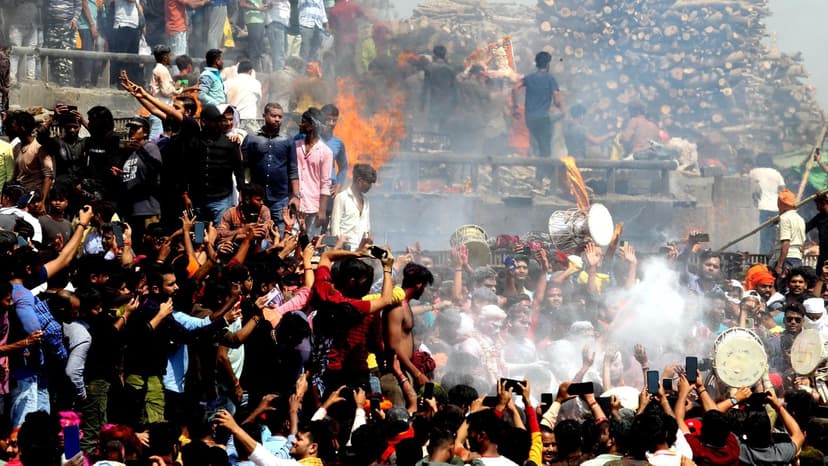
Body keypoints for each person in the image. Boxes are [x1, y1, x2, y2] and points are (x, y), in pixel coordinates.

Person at [380, 263, 434, 403]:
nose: (424, 291)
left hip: (404, 371)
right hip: (394, 375)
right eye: (425, 286)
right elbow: (394, 346)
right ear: (418, 284)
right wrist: (417, 373)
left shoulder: (405, 304)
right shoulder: (397, 307)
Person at [244, 102, 300, 230]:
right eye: (273, 116)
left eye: (280, 117)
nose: (277, 119)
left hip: (280, 198)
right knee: (257, 233)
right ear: (264, 115)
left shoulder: (287, 140)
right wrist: (245, 192)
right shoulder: (252, 139)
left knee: (280, 233)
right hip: (256, 199)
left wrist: (296, 196)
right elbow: (244, 168)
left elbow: (293, 170)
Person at [512, 51, 562, 185]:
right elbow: (557, 100)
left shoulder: (529, 77)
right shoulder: (550, 78)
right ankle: (540, 179)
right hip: (543, 119)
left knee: (536, 146)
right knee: (545, 149)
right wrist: (563, 109)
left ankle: (541, 176)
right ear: (547, 64)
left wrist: (515, 106)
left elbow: (515, 88)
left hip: (529, 119)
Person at [117, 117, 163, 239]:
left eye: (136, 128)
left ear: (146, 132)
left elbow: (156, 168)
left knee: (149, 244)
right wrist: (120, 174)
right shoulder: (130, 152)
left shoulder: (150, 147)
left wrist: (141, 150)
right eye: (131, 128)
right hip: (131, 210)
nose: (131, 131)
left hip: (147, 210)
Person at [295, 108, 333, 237]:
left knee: (308, 245)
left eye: (303, 122)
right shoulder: (294, 146)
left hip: (312, 206)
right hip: (295, 204)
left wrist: (322, 211)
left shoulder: (326, 152)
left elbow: (325, 183)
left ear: (311, 126)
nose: (300, 124)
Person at [329, 163, 375, 246]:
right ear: (360, 181)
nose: (370, 187)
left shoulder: (366, 201)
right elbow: (334, 228)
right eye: (368, 183)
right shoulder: (341, 198)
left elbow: (367, 228)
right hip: (345, 251)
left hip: (361, 251)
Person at [750, 153, 786, 256]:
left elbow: (749, 187)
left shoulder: (754, 172)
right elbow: (783, 190)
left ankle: (764, 258)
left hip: (762, 208)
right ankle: (772, 257)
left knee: (764, 236)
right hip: (776, 208)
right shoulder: (776, 173)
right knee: (774, 236)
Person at [770, 189, 805, 284]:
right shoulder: (800, 219)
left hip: (786, 259)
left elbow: (786, 243)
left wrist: (780, 265)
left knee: (783, 288)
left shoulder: (784, 218)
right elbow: (802, 245)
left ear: (781, 204)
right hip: (797, 259)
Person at [421, 45, 458, 134]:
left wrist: (422, 104)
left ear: (434, 55)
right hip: (447, 102)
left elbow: (426, 87)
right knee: (443, 128)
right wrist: (455, 103)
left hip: (433, 101)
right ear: (445, 55)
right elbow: (454, 88)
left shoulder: (429, 68)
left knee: (433, 128)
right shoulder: (451, 69)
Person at [43, 0, 81, 87]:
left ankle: (65, 83)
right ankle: (53, 80)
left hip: (68, 26)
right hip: (52, 25)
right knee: (52, 53)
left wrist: (75, 19)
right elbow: (45, 4)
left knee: (66, 56)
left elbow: (79, 5)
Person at [150, 45, 180, 141]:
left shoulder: (159, 69)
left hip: (161, 108)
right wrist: (178, 90)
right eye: (169, 55)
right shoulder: (162, 70)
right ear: (165, 57)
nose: (170, 58)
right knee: (156, 138)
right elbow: (166, 91)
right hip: (160, 108)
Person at [109, 0, 143, 87]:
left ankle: (132, 83)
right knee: (122, 58)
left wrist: (143, 23)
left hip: (135, 25)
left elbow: (138, 5)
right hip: (122, 24)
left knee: (133, 58)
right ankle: (119, 83)